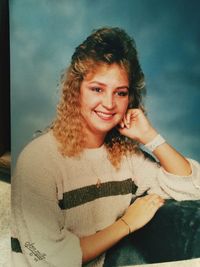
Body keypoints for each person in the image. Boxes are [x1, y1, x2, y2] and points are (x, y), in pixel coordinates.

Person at [11, 27, 200, 267]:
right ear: (75, 90)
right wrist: (126, 224)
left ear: (130, 98)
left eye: (120, 93)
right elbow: (48, 260)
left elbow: (192, 190)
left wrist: (150, 136)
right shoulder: (38, 161)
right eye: (97, 89)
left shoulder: (126, 156)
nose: (109, 104)